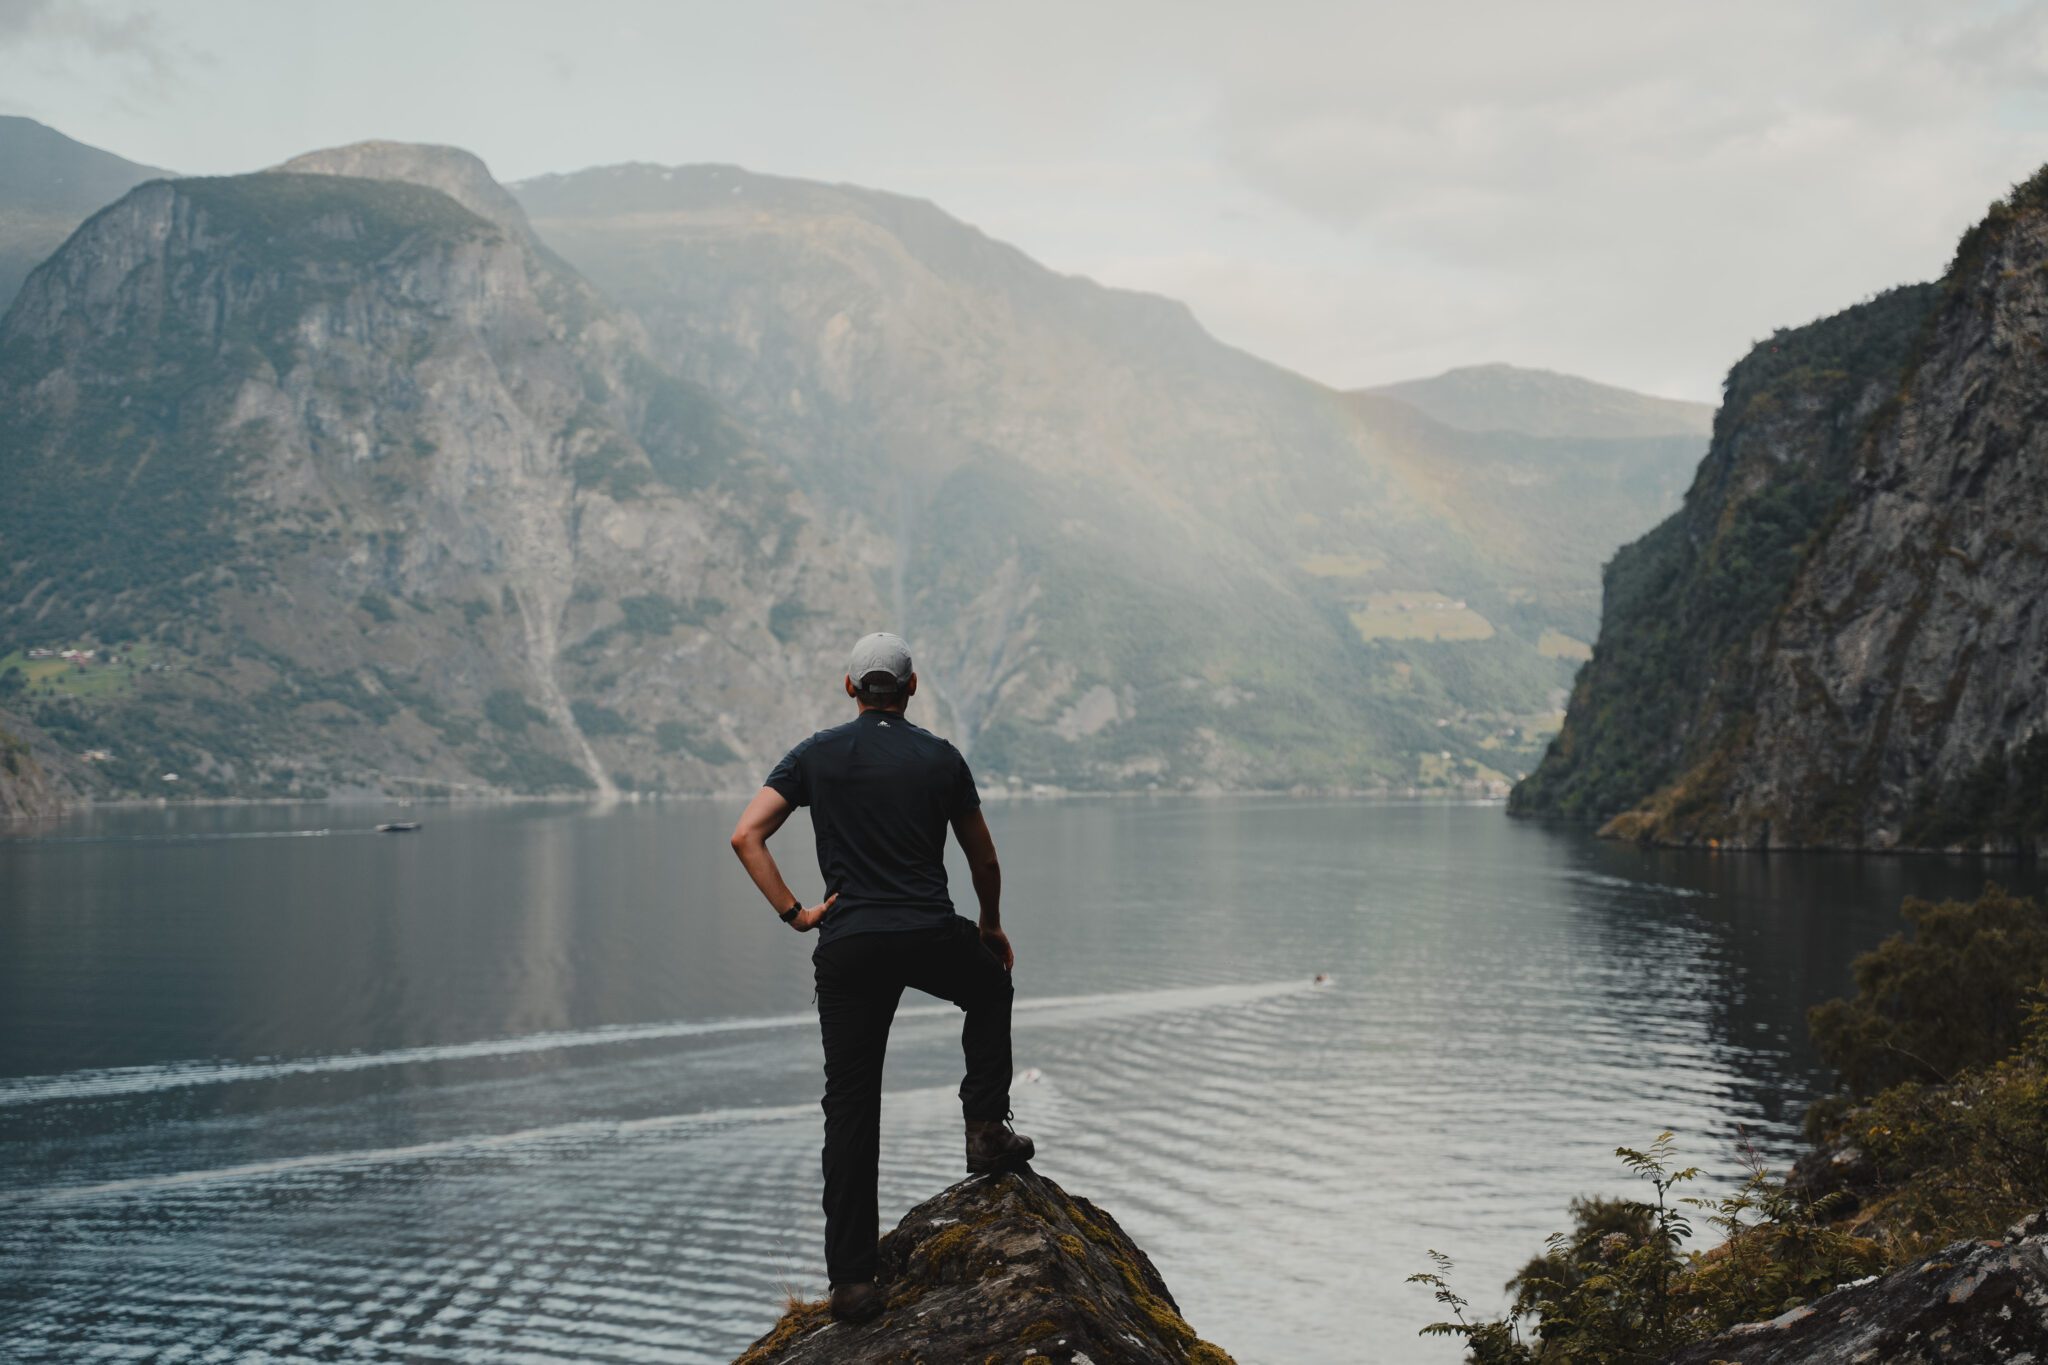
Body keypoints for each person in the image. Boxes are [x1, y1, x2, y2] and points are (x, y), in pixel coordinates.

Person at [729, 631, 1035, 1325]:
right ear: (911, 687)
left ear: (849, 688)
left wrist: (796, 913)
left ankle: (852, 1284)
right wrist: (989, 924)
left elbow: (746, 835)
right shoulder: (940, 757)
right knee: (989, 986)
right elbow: (983, 858)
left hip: (849, 943)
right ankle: (986, 1128)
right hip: (927, 930)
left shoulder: (814, 754)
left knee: (851, 1104)